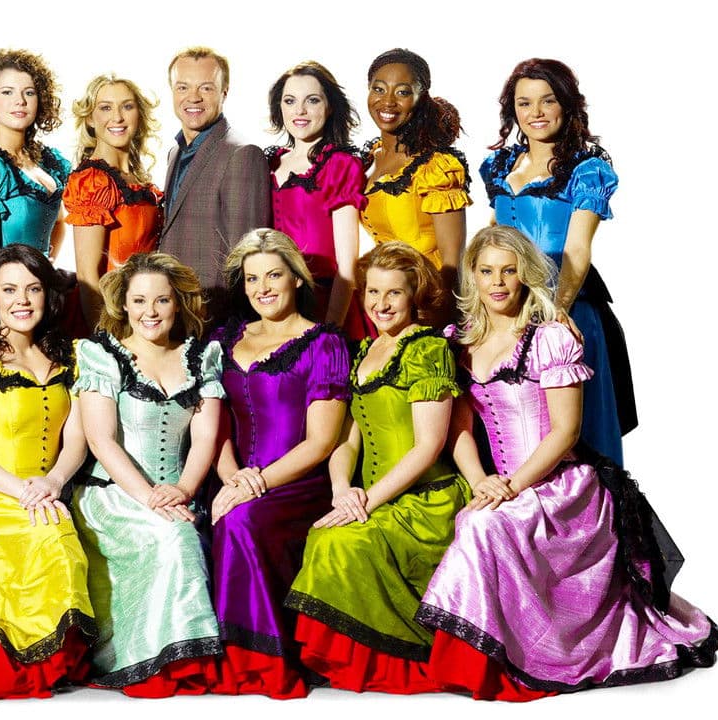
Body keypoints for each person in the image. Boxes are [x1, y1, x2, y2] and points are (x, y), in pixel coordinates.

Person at [415, 226, 718, 700]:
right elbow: (458, 429)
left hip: (559, 481)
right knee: (476, 519)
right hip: (499, 482)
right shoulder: (460, 342)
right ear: (472, 277)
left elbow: (565, 432)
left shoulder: (550, 338)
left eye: (508, 270)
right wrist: (481, 482)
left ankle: (501, 664)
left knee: (484, 526)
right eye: (487, 271)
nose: (498, 282)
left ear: (525, 275)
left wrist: (512, 487)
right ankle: (475, 660)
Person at [285, 241, 469, 693]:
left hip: (425, 500)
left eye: (394, 293)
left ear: (414, 296)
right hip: (371, 496)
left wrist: (366, 502)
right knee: (324, 534)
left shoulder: (427, 349)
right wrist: (341, 490)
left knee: (345, 541)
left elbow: (428, 447)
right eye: (372, 292)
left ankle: (389, 663)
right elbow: (347, 439)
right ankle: (346, 663)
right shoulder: (364, 350)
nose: (381, 304)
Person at [0, 244, 95, 698]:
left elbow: (77, 439)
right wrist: (23, 491)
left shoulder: (74, 356)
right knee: (47, 538)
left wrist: (52, 482)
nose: (22, 300)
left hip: (51, 486)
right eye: (9, 290)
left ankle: (59, 661)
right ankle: (28, 666)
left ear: (48, 295)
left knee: (61, 538)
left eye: (33, 289)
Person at [72, 252, 225, 696]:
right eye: (139, 301)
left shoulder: (202, 357)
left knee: (180, 532)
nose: (150, 312)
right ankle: (153, 662)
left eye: (161, 300)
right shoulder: (102, 355)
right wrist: (149, 497)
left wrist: (183, 489)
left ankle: (185, 659)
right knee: (173, 537)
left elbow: (205, 438)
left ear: (177, 303)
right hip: (112, 494)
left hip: (179, 494)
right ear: (124, 304)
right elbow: (101, 440)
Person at [208, 229, 350, 699]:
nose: (262, 288)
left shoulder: (324, 343)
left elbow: (322, 442)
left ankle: (260, 663)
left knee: (241, 520)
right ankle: (227, 655)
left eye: (273, 275)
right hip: (231, 475)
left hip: (297, 481)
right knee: (227, 513)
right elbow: (213, 424)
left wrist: (254, 485)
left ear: (297, 279)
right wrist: (231, 479)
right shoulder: (224, 339)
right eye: (252, 279)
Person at [478, 58, 633, 464]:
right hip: (509, 306)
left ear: (567, 105)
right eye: (524, 103)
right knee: (517, 427)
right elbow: (496, 232)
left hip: (566, 303)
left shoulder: (586, 171)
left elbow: (577, 248)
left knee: (577, 433)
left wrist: (557, 310)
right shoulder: (499, 166)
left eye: (548, 101)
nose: (536, 112)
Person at [158, 46, 271, 323]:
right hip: (173, 313)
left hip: (215, 317)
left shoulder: (242, 154)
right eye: (183, 87)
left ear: (224, 92)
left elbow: (247, 260)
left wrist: (230, 329)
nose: (193, 97)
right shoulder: (175, 152)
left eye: (206, 88)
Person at [0, 50, 71, 321]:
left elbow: (59, 223)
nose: (20, 101)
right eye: (7, 92)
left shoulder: (49, 163)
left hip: (39, 300)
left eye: (29, 92)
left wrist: (43, 269)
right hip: (0, 309)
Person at [265, 61, 368, 336]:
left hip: (325, 306)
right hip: (273, 305)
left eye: (312, 100)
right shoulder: (268, 164)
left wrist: (329, 333)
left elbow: (347, 268)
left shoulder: (340, 165)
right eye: (290, 101)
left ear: (330, 106)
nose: (299, 110)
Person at [360, 48, 469, 307]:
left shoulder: (436, 167)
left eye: (402, 92)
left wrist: (438, 315)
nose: (387, 101)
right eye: (378, 89)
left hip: (428, 299)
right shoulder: (369, 158)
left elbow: (452, 262)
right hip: (384, 302)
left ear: (421, 97)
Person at [64, 74, 163, 327]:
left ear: (139, 114)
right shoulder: (92, 181)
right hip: (110, 318)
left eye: (127, 106)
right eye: (105, 108)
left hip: (147, 313)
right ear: (90, 118)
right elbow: (87, 275)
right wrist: (106, 338)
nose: (117, 117)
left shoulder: (138, 180)